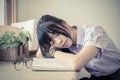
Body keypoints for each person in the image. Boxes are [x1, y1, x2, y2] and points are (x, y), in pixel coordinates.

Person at [36, 14, 120, 80]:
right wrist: (45, 39)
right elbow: (40, 55)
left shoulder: (93, 33)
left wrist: (54, 52)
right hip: (98, 77)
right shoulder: (67, 43)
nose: (59, 41)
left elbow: (76, 63)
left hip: (117, 74)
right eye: (53, 41)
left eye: (57, 34)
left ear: (64, 23)